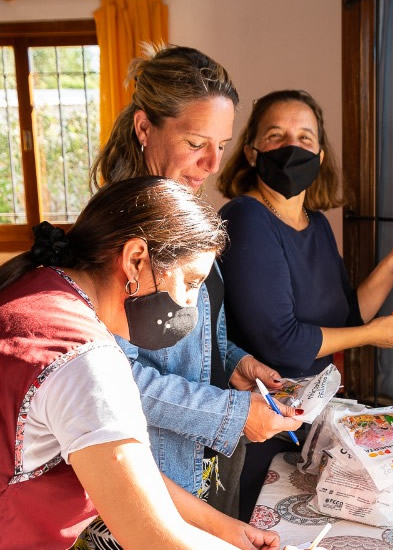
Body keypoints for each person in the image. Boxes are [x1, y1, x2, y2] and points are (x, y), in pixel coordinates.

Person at [0, 177, 278, 550]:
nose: (189, 307)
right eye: (189, 283)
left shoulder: (35, 292)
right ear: (136, 259)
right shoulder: (85, 358)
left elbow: (126, 476)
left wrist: (227, 530)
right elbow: (152, 538)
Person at [90, 45, 300, 522]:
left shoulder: (182, 214)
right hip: (153, 474)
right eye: (195, 142)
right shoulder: (114, 237)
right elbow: (111, 381)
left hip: (206, 462)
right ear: (145, 128)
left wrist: (235, 364)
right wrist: (232, 414)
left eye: (222, 145)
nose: (212, 164)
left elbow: (192, 332)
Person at [216, 89, 393, 520]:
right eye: (276, 136)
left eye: (305, 138)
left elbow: (348, 316)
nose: (292, 147)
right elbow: (283, 346)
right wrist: (370, 337)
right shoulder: (246, 218)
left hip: (311, 422)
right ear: (252, 152)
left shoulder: (317, 224)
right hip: (262, 429)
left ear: (321, 156)